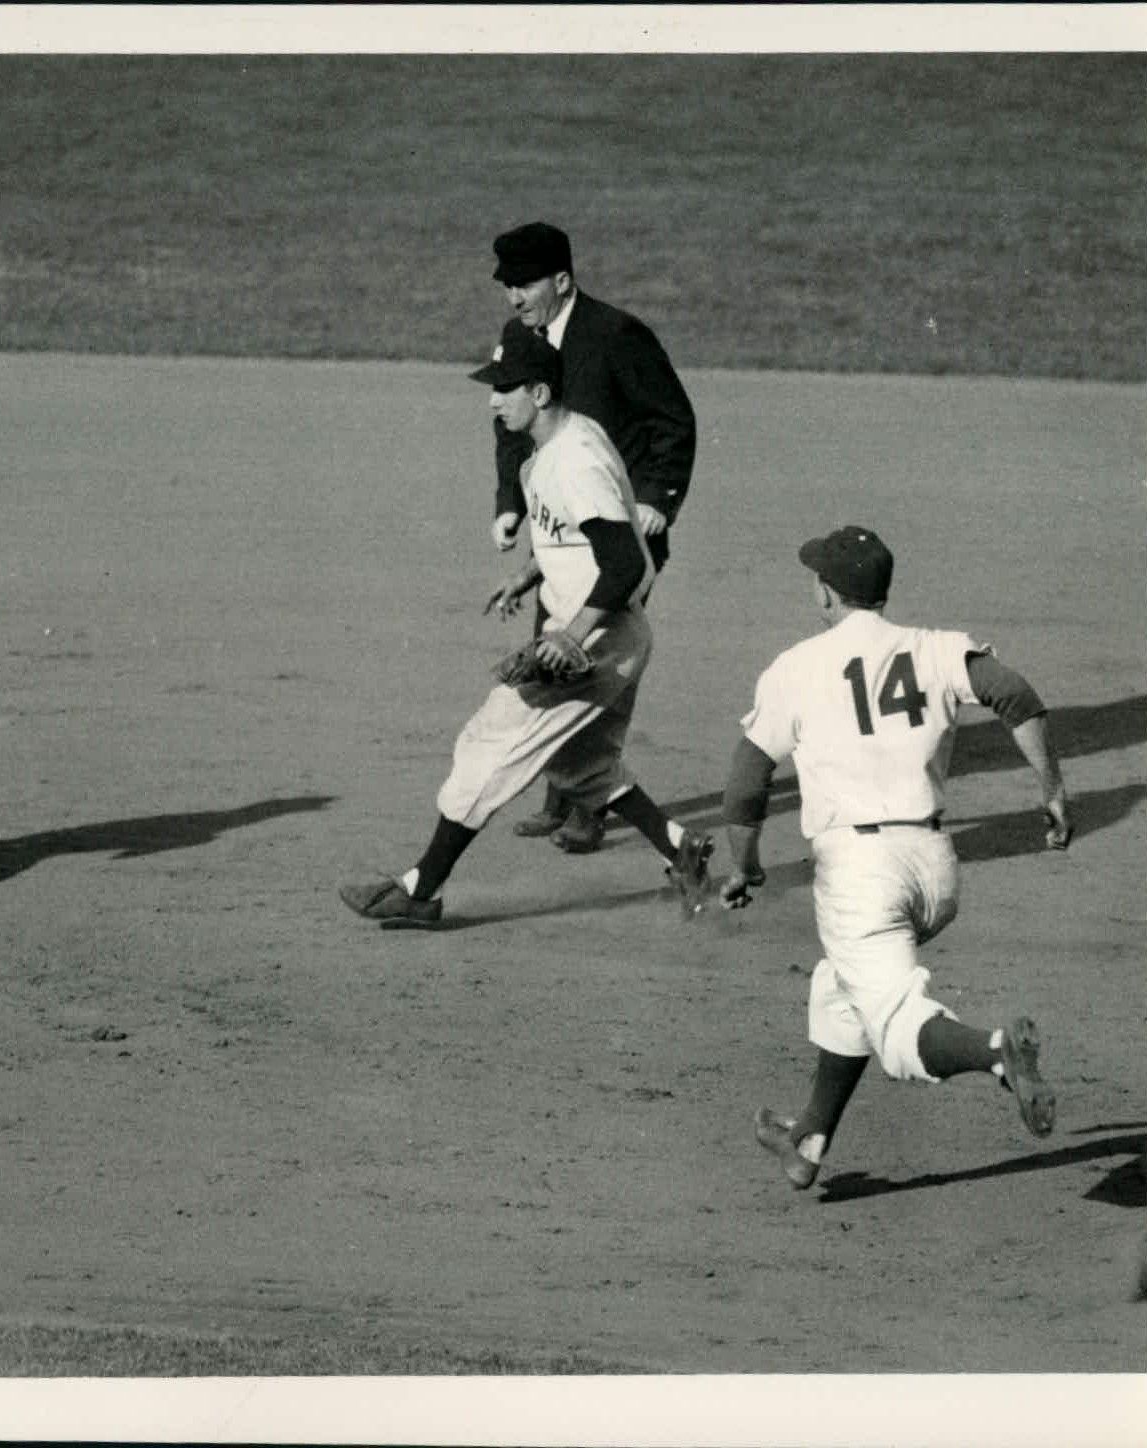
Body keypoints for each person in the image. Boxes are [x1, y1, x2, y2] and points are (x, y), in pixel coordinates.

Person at [715, 525, 1073, 1190]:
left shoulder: (794, 667)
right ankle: (807, 1141)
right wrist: (1051, 794)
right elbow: (1014, 695)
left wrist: (745, 865)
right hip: (934, 868)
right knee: (842, 986)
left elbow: (745, 780)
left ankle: (995, 1054)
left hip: (859, 874)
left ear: (825, 592)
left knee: (896, 1023)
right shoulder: (935, 650)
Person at [340, 320, 712, 928]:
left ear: (539, 393)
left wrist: (569, 635)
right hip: (605, 635)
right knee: (577, 765)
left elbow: (623, 565)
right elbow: (585, 535)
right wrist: (532, 574)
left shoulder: (576, 460)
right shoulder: (564, 443)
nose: (492, 400)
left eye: (504, 387)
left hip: (597, 644)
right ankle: (681, 849)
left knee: (489, 745)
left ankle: (421, 888)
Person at [486, 221, 698, 855]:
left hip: (619, 532)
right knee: (554, 653)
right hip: (557, 528)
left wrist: (656, 500)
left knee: (595, 660)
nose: (513, 298)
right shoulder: (517, 338)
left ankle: (589, 807)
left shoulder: (616, 335)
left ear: (561, 280)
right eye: (506, 287)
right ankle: (564, 791)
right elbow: (511, 430)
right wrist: (509, 506)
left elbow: (673, 421)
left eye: (522, 285)